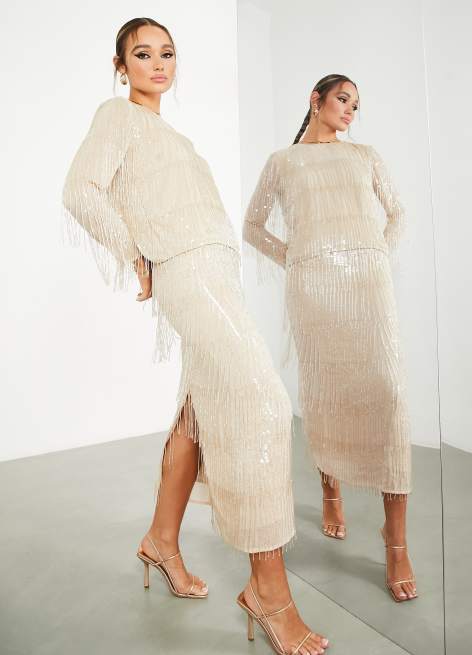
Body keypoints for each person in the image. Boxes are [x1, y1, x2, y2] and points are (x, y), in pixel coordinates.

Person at [62, 17, 329, 653]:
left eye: (168, 53)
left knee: (197, 413)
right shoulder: (117, 116)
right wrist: (135, 253)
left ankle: (161, 541)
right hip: (186, 272)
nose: (159, 64)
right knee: (264, 402)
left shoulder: (170, 135)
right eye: (143, 54)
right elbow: (80, 191)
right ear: (120, 66)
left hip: (216, 275)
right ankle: (268, 591)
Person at [243, 74, 417, 602]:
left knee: (390, 393)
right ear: (315, 100)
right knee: (324, 390)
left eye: (356, 105)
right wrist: (297, 259)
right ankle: (331, 492)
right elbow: (252, 226)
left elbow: (398, 212)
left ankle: (396, 541)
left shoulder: (365, 155)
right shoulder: (283, 161)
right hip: (313, 287)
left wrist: (377, 253)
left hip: (368, 284)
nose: (350, 111)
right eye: (344, 99)